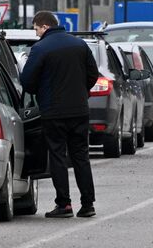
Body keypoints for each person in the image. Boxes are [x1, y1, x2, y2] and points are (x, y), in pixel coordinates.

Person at [20, 11, 99, 218]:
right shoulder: (79, 45)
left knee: (57, 156)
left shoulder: (40, 48)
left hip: (53, 112)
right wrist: (80, 92)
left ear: (44, 26)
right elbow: (93, 74)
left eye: (36, 28)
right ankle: (88, 204)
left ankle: (64, 204)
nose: (36, 33)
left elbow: (27, 80)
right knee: (81, 156)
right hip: (79, 110)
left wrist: (42, 92)